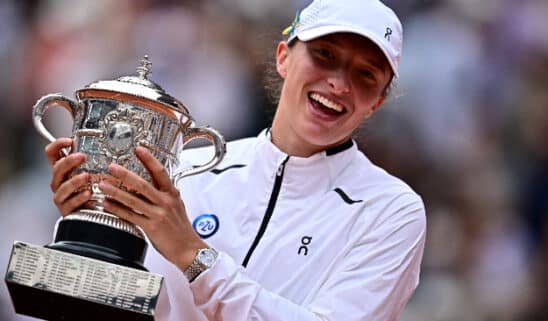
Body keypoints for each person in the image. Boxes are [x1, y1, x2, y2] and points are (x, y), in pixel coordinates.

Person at [45, 0, 426, 320]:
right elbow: (102, 302)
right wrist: (86, 228)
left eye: (365, 75)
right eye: (325, 55)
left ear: (376, 102)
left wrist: (194, 257)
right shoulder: (188, 168)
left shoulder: (391, 211)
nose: (340, 84)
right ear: (283, 58)